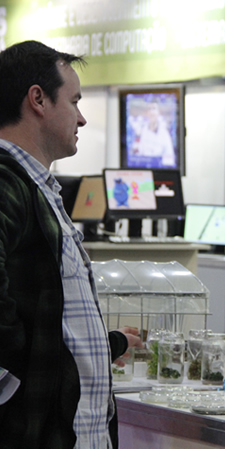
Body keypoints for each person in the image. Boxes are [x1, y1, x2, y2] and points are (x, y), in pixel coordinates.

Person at [0, 40, 142, 448]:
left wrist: (107, 344)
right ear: (38, 100)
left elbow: (52, 323)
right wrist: (17, 368)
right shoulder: (8, 182)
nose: (81, 118)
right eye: (74, 101)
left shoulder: (38, 188)